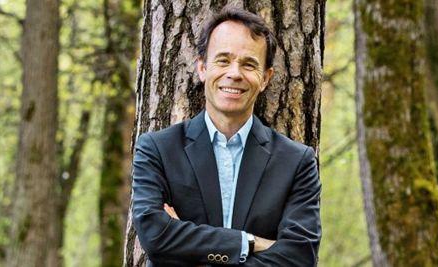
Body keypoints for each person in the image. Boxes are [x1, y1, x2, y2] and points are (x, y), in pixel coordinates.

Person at [130, 7, 321, 266]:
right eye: (223, 60)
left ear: (265, 78)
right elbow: (155, 236)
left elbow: (299, 258)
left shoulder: (297, 162)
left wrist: (186, 249)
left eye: (249, 64)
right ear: (202, 68)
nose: (234, 73)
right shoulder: (158, 150)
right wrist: (248, 243)